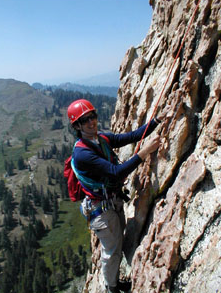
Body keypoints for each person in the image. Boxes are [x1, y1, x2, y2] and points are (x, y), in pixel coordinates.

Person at [67, 99, 168, 293]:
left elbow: (131, 136)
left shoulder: (101, 139)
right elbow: (116, 172)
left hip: (111, 202)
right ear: (77, 126)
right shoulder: (82, 154)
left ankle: (113, 282)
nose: (91, 122)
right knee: (112, 251)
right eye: (85, 120)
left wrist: (156, 121)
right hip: (101, 210)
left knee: (117, 243)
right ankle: (111, 288)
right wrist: (145, 152)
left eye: (92, 116)